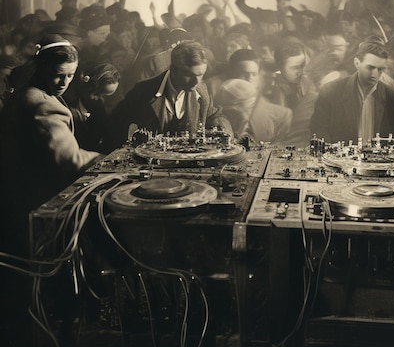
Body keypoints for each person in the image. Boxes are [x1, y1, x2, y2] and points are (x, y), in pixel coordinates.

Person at [0, 35, 102, 243]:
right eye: (59, 75)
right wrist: (107, 159)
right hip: (37, 200)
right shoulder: (42, 104)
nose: (64, 82)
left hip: (15, 194)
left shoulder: (28, 92)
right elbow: (70, 160)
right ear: (42, 68)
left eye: (71, 75)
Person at [103, 41, 231, 151]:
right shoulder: (142, 91)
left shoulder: (202, 90)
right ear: (173, 70)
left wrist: (221, 126)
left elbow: (214, 114)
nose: (196, 82)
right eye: (189, 75)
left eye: (200, 75)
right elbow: (115, 124)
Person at [310, 41, 394, 143]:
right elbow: (319, 132)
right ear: (357, 63)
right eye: (370, 68)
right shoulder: (330, 92)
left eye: (380, 69)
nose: (375, 74)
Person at [64, 62, 121, 151]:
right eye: (97, 93)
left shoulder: (98, 107)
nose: (99, 99)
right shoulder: (67, 104)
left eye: (105, 95)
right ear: (87, 85)